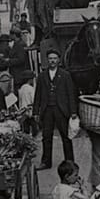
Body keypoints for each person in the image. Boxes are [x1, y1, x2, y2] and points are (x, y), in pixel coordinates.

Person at [33, 44, 77, 173]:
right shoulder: (41, 76)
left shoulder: (65, 75)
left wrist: (73, 111)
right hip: (47, 110)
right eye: (50, 58)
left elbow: (71, 94)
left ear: (58, 60)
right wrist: (36, 111)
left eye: (55, 58)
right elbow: (38, 95)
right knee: (46, 136)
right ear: (47, 60)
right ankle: (46, 162)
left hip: (61, 109)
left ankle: (70, 161)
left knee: (65, 136)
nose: (52, 60)